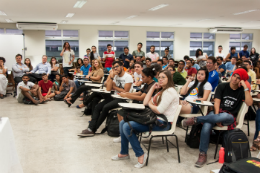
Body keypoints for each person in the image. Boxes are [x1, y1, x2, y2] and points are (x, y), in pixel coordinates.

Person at [181, 68, 253, 168]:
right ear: (231, 75)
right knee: (206, 125)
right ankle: (202, 154)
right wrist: (217, 117)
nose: (235, 79)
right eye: (234, 75)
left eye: (238, 78)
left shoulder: (242, 91)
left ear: (241, 80)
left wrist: (245, 87)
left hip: (229, 116)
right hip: (217, 113)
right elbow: (217, 102)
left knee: (225, 116)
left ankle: (196, 120)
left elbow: (249, 103)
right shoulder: (222, 86)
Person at [111, 70, 179, 168]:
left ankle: (141, 154)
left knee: (127, 126)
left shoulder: (170, 91)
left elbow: (159, 110)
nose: (160, 79)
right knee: (123, 123)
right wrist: (152, 89)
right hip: (155, 118)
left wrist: (150, 104)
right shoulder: (162, 90)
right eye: (159, 77)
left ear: (169, 79)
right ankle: (124, 153)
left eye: (163, 77)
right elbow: (145, 102)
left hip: (164, 123)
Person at [78, 61, 133, 137]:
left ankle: (93, 129)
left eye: (117, 66)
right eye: (113, 67)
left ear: (121, 66)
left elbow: (126, 91)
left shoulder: (128, 77)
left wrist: (115, 87)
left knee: (105, 107)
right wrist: (111, 77)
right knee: (98, 106)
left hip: (125, 99)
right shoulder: (115, 76)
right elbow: (108, 89)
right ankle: (90, 128)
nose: (115, 69)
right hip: (115, 96)